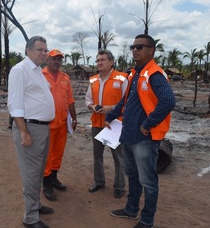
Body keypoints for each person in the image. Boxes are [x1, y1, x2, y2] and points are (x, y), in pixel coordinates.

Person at [105, 34, 176, 228]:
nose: (135, 50)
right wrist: (111, 116)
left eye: (140, 46)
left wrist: (148, 124)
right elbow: (126, 101)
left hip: (144, 138)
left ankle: (147, 220)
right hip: (128, 136)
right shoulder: (136, 73)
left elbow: (169, 101)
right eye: (133, 46)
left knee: (148, 181)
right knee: (133, 175)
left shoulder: (155, 74)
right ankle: (131, 209)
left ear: (151, 50)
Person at [7, 36, 55, 228]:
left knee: (38, 172)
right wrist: (24, 132)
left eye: (45, 50)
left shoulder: (37, 71)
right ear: (28, 50)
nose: (44, 53)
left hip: (42, 128)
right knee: (31, 174)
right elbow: (15, 104)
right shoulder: (20, 70)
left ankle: (36, 205)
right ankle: (30, 218)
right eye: (39, 50)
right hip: (30, 129)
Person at [85, 49, 128, 198]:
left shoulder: (122, 79)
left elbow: (127, 102)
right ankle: (99, 181)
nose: (100, 62)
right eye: (98, 60)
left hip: (115, 125)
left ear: (111, 62)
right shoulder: (93, 80)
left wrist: (112, 108)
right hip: (97, 123)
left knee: (118, 156)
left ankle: (120, 186)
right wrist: (93, 107)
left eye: (103, 60)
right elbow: (87, 101)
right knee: (97, 154)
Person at [41, 49, 77, 201]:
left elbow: (70, 100)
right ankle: (47, 184)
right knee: (47, 155)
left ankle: (54, 178)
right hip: (46, 124)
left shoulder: (65, 78)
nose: (57, 62)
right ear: (47, 60)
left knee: (58, 153)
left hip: (62, 123)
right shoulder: (40, 76)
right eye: (54, 59)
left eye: (59, 59)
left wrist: (74, 119)